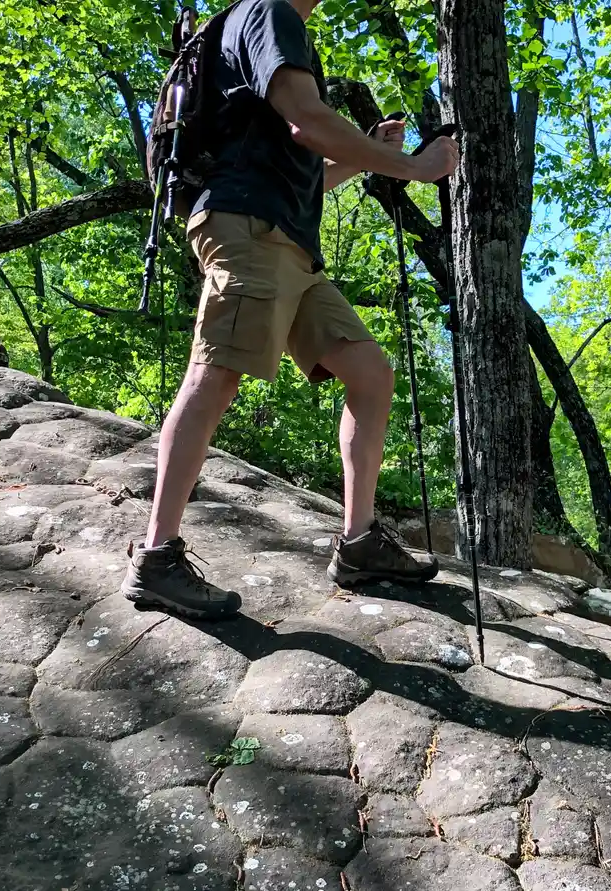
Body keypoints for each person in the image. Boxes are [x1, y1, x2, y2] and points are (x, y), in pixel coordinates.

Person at [121, 0, 461, 620]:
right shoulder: (270, 13)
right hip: (251, 229)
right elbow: (307, 119)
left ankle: (358, 545)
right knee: (216, 373)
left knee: (369, 373)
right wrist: (413, 167)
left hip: (289, 242)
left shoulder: (256, 28)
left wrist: (362, 154)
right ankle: (157, 558)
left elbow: (304, 168)